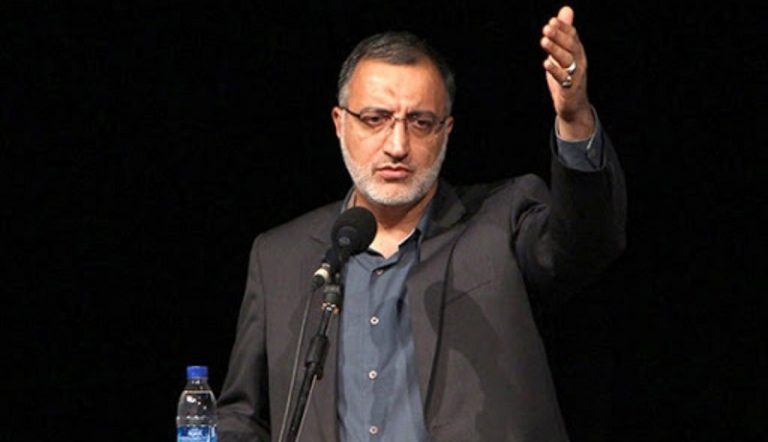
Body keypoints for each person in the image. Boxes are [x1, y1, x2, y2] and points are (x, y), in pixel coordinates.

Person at [217, 6, 626, 442]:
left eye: (420, 122)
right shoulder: (280, 257)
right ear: (340, 123)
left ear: (445, 131)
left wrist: (574, 119)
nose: (397, 145)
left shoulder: (501, 220)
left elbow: (586, 243)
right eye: (375, 119)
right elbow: (242, 416)